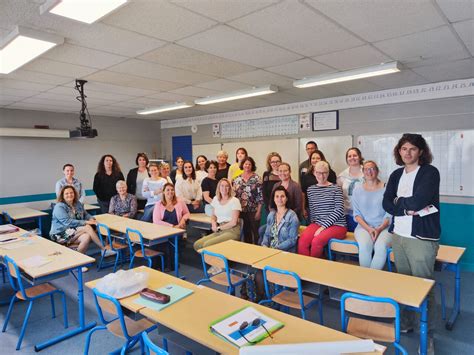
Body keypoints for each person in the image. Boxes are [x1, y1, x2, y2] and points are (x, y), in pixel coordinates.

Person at [383, 133, 440, 351]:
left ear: (421, 152)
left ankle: (428, 333)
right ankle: (407, 323)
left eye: (412, 149)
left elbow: (419, 201)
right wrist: (405, 207)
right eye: (403, 149)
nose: (407, 153)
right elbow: (387, 203)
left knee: (423, 285)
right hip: (399, 235)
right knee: (404, 282)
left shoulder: (429, 172)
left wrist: (401, 203)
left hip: (421, 238)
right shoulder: (397, 174)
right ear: (399, 151)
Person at [256, 186, 299, 300]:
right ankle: (263, 298)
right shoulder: (271, 215)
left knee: (267, 271)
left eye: (282, 196)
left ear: (286, 199)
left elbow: (292, 240)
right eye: (277, 196)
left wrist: (275, 249)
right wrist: (265, 245)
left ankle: (272, 299)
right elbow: (267, 234)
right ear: (274, 199)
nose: (280, 199)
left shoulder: (292, 216)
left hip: (284, 252)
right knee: (258, 271)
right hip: (270, 251)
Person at [298, 161, 347, 258]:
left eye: (324, 172)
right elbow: (313, 210)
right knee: (303, 241)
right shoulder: (311, 190)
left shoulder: (336, 188)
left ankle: (314, 270)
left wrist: (323, 227)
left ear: (328, 173)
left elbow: (339, 210)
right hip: (318, 223)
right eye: (319, 173)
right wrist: (313, 226)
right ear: (314, 173)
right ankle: (305, 268)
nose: (321, 175)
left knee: (317, 241)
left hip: (337, 225)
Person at [50, 186, 111, 257]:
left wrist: (91, 218)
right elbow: (67, 222)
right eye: (66, 193)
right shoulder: (59, 206)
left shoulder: (77, 203)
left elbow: (85, 214)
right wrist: (86, 222)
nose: (69, 195)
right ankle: (103, 248)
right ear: (62, 196)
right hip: (60, 234)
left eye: (71, 192)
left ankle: (78, 260)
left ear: (74, 194)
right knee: (87, 227)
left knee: (87, 236)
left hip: (73, 232)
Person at [352, 161, 391, 270]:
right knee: (364, 246)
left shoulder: (387, 188)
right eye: (366, 169)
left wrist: (380, 228)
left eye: (372, 168)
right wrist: (369, 229)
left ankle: (372, 281)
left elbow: (389, 213)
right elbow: (357, 215)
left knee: (380, 247)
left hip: (385, 227)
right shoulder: (357, 190)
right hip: (364, 227)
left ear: (377, 171)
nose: (369, 171)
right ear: (363, 172)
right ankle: (366, 281)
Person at [193, 178, 241, 251]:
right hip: (220, 229)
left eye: (227, 186)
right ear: (219, 188)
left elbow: (234, 222)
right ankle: (209, 261)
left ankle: (215, 262)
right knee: (197, 245)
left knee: (207, 245)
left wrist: (219, 228)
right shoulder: (216, 199)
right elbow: (213, 216)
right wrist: (213, 223)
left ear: (230, 188)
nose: (224, 188)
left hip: (232, 230)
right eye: (222, 186)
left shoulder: (235, 201)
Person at [233, 157, 263, 245]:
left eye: (249, 164)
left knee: (256, 232)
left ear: (252, 166)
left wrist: (259, 211)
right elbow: (234, 195)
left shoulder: (257, 178)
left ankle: (258, 250)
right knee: (246, 233)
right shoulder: (237, 179)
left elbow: (261, 196)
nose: (247, 166)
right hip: (241, 210)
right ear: (242, 165)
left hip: (254, 210)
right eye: (246, 164)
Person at [302, 150, 337, 220]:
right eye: (313, 158)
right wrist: (303, 208)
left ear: (322, 159)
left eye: (318, 158)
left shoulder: (330, 173)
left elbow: (333, 190)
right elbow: (303, 192)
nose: (315, 160)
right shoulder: (306, 175)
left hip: (327, 209)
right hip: (312, 208)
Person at [337, 147, 364, 232]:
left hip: (364, 214)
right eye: (349, 156)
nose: (352, 158)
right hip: (348, 215)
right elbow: (338, 197)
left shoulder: (367, 172)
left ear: (359, 157)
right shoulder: (341, 176)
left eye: (355, 155)